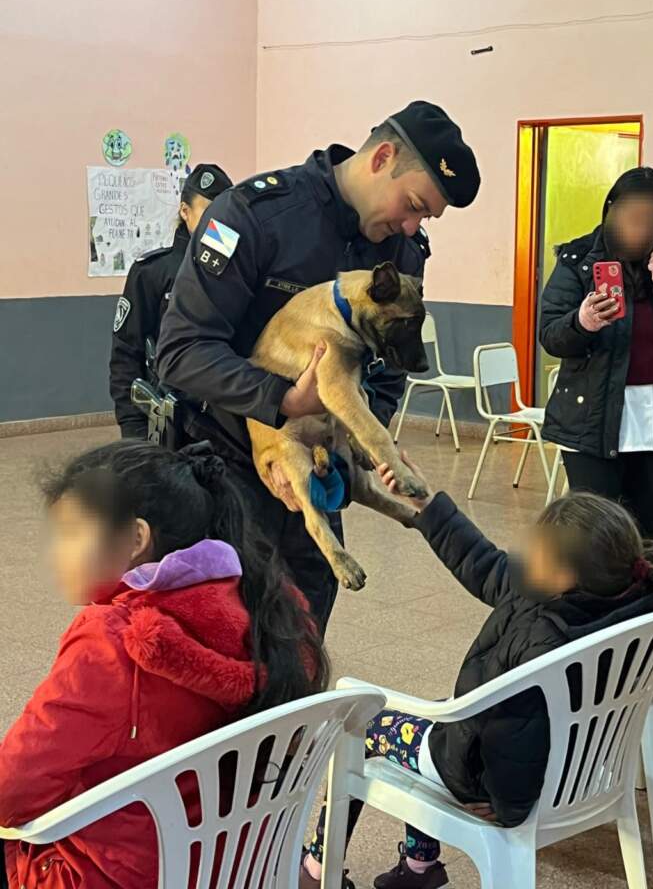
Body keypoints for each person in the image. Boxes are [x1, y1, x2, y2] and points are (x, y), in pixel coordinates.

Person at [156, 102, 481, 633]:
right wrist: (283, 401)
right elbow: (182, 350)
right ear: (381, 157)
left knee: (304, 647)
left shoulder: (401, 251)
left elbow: (387, 366)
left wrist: (356, 430)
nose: (412, 224)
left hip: (321, 468)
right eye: (414, 205)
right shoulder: (253, 216)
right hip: (229, 472)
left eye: (425, 218)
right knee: (225, 651)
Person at [301, 457, 653, 889]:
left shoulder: (542, 639)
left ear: (561, 576)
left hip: (491, 777)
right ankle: (418, 869)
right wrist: (427, 506)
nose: (521, 555)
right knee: (439, 713)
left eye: (532, 551)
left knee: (366, 725)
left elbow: (518, 731)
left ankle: (315, 868)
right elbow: (486, 565)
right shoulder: (626, 600)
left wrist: (508, 806)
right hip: (579, 766)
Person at [0, 440, 327, 889]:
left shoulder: (113, 639)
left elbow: (11, 792)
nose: (56, 552)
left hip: (116, 872)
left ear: (136, 538)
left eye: (72, 532)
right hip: (236, 865)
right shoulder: (273, 612)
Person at [540, 166, 653, 539]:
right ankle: (593, 599)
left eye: (651, 221)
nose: (640, 229)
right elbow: (551, 335)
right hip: (591, 416)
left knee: (643, 530)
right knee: (596, 535)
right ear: (611, 210)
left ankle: (644, 597)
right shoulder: (578, 260)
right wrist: (581, 321)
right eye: (632, 217)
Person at [109, 163, 233, 438]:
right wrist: (134, 430)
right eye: (208, 212)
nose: (218, 222)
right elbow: (126, 354)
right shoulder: (153, 272)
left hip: (225, 424)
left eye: (225, 212)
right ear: (185, 212)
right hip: (166, 421)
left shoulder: (239, 273)